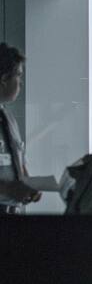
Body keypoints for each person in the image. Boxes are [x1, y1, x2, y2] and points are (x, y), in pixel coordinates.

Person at [0, 43, 41, 214]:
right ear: (3, 78)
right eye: (18, 75)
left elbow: (18, 160)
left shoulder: (9, 120)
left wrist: (28, 185)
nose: (21, 83)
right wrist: (7, 188)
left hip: (11, 213)